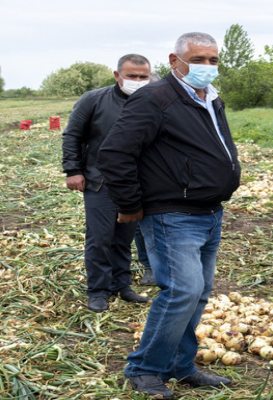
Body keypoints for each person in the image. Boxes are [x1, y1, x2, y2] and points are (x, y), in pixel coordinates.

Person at [97, 32, 241, 399]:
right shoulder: (155, 97)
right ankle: (144, 369)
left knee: (198, 293)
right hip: (172, 213)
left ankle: (180, 365)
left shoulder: (211, 97)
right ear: (175, 61)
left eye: (212, 60)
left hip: (209, 211)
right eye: (198, 60)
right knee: (181, 291)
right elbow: (115, 153)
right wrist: (130, 205)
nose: (206, 67)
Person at [62, 54, 153, 313]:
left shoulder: (152, 101)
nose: (137, 81)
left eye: (142, 77)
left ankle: (121, 285)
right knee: (100, 238)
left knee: (124, 238)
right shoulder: (94, 99)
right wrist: (73, 170)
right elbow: (72, 135)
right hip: (99, 181)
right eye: (131, 76)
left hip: (136, 182)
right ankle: (98, 290)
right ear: (117, 75)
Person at [136, 71, 161, 287]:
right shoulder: (129, 111)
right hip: (134, 179)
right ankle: (149, 266)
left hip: (161, 179)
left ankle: (161, 265)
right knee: (138, 225)